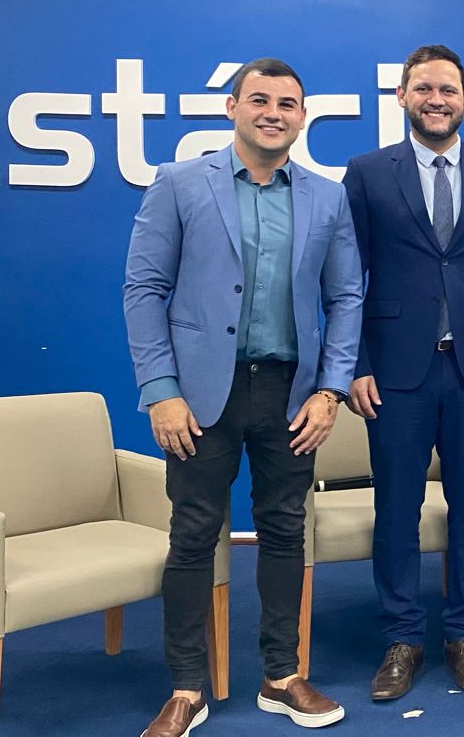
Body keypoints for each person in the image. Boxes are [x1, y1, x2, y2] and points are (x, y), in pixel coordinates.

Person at [124, 58, 362, 735]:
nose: (273, 113)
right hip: (201, 398)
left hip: (291, 395)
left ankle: (281, 676)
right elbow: (143, 289)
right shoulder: (178, 183)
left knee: (285, 530)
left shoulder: (326, 197)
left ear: (302, 117)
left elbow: (347, 296)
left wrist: (331, 390)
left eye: (287, 104)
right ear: (232, 107)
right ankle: (185, 688)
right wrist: (161, 391)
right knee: (193, 535)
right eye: (259, 100)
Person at [341, 44, 464, 699]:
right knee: (397, 508)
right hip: (395, 373)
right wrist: (356, 364)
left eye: (448, 90)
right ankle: (402, 638)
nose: (436, 100)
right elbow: (345, 278)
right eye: (424, 88)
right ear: (402, 97)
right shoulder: (367, 173)